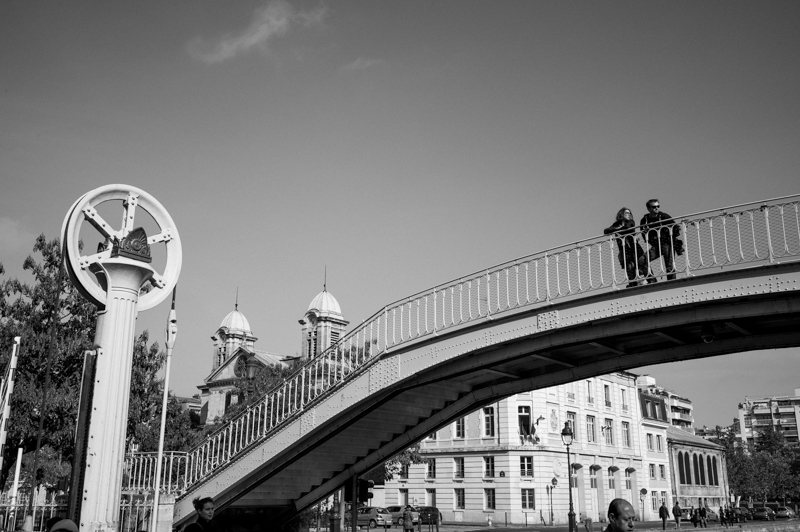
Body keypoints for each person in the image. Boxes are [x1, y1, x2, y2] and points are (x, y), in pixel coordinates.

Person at [640, 199, 682, 283]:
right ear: (648, 208)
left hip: (667, 243)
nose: (656, 208)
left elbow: (676, 227)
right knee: (642, 260)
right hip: (656, 246)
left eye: (658, 206)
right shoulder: (645, 220)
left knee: (669, 266)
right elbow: (642, 231)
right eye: (654, 207)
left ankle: (672, 284)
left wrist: (670, 238)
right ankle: (652, 281)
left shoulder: (664, 216)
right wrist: (648, 237)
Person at [604, 207, 647, 287]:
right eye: (627, 213)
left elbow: (626, 228)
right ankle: (632, 283)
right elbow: (606, 231)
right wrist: (617, 228)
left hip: (633, 246)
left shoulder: (631, 222)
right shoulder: (616, 224)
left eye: (630, 213)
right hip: (624, 249)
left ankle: (645, 280)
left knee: (640, 263)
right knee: (629, 266)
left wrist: (616, 229)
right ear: (621, 214)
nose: (629, 214)